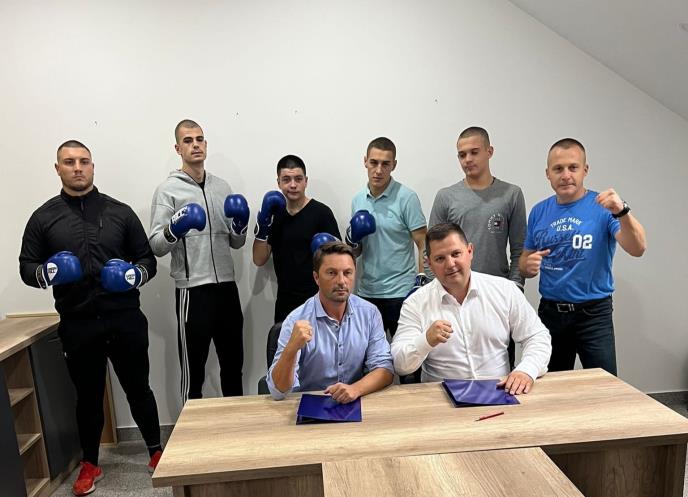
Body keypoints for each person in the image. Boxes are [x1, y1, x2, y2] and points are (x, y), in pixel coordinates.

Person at [19, 140, 162, 496]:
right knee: (88, 397)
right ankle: (90, 463)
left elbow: (147, 260)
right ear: (58, 169)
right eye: (69, 162)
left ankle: (156, 451)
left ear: (93, 166)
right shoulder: (43, 218)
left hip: (125, 318)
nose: (77, 168)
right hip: (79, 322)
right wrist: (48, 272)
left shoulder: (120, 212)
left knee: (139, 388)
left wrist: (133, 275)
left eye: (84, 161)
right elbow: (27, 267)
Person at [519, 138, 646, 376]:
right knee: (550, 385)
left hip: (594, 315)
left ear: (585, 170)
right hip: (551, 313)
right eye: (558, 169)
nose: (566, 175)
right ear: (548, 174)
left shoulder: (604, 207)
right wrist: (528, 265)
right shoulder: (538, 211)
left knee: (604, 386)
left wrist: (622, 211)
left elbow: (638, 248)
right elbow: (524, 264)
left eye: (573, 167)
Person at [149, 119, 250, 402]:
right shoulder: (168, 190)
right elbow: (156, 245)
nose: (195, 145)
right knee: (193, 373)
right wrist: (174, 228)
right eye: (188, 140)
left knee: (233, 368)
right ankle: (187, 429)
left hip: (227, 288)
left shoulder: (222, 187)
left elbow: (236, 242)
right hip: (193, 292)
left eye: (199, 139)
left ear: (205, 144)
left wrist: (240, 225)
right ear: (178, 148)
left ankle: (235, 425)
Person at [391, 223, 551, 394]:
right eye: (440, 259)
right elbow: (400, 364)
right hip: (440, 396)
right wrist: (425, 341)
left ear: (470, 251)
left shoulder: (504, 290)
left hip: (499, 391)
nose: (450, 264)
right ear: (429, 263)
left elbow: (537, 336)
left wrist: (526, 370)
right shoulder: (415, 303)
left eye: (456, 254)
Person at [429, 126, 526, 368]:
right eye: (462, 155)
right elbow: (430, 251)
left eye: (474, 152)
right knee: (455, 367)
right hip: (453, 298)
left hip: (496, 298)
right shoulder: (446, 197)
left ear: (489, 152)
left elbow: (519, 249)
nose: (468, 159)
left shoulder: (511, 194)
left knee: (499, 368)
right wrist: (435, 294)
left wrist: (514, 289)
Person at [267, 242, 394, 402]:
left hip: (353, 402)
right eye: (332, 273)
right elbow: (278, 391)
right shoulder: (296, 320)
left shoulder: (369, 313)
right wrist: (291, 349)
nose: (341, 281)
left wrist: (355, 389)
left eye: (347, 273)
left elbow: (385, 369)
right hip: (307, 405)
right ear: (316, 278)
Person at [348, 137, 427, 340]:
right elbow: (357, 251)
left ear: (394, 165)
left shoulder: (407, 197)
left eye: (385, 164)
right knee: (367, 355)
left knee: (407, 356)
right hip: (367, 292)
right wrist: (352, 240)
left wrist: (421, 280)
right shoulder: (358, 200)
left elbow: (423, 242)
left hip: (401, 292)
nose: (378, 170)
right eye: (374, 162)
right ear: (365, 161)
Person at [253, 155, 341, 322]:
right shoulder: (273, 214)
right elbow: (258, 259)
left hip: (318, 301)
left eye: (298, 179)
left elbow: (341, 261)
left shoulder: (322, 213)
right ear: (278, 182)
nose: (293, 185)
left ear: (306, 181)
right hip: (284, 302)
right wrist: (263, 226)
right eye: (286, 179)